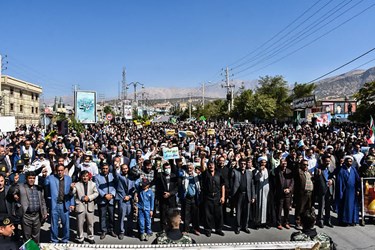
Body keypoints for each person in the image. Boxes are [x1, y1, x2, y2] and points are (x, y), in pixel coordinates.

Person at [13, 171, 47, 243]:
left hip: (37, 216)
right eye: (30, 178)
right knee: (27, 236)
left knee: (36, 236)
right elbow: (12, 192)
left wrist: (44, 212)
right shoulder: (21, 187)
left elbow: (42, 201)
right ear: (26, 179)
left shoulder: (38, 188)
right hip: (26, 216)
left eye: (33, 178)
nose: (32, 180)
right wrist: (15, 185)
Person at [45, 164, 75, 243]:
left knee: (66, 224)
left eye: (61, 170)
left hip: (65, 204)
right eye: (58, 170)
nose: (60, 172)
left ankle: (65, 239)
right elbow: (45, 187)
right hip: (54, 204)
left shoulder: (68, 179)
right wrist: (44, 176)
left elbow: (71, 193)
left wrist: (72, 204)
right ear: (56, 171)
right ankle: (54, 240)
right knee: (54, 224)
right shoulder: (50, 178)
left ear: (64, 170)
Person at [71, 170, 99, 244]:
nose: (85, 177)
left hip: (90, 205)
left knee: (90, 223)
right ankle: (80, 237)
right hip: (80, 206)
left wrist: (89, 197)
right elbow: (72, 193)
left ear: (88, 176)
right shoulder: (77, 184)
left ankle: (90, 237)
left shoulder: (93, 184)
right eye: (83, 176)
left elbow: (96, 193)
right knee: (80, 224)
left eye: (86, 176)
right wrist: (71, 188)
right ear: (81, 176)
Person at [200, 160, 225, 237]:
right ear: (208, 166)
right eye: (209, 165)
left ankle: (218, 229)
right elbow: (202, 168)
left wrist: (223, 196)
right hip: (208, 197)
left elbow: (222, 185)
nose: (211, 166)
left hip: (217, 197)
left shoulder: (219, 173)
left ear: (215, 165)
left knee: (218, 214)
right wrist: (202, 159)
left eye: (212, 165)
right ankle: (208, 230)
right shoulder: (205, 173)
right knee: (208, 215)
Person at [335, 156, 360, 226]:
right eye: (348, 161)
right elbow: (339, 182)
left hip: (353, 191)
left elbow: (357, 179)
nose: (349, 163)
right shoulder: (342, 170)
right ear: (345, 162)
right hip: (345, 191)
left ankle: (352, 220)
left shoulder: (353, 169)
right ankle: (344, 221)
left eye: (350, 161)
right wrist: (340, 192)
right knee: (345, 207)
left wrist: (358, 189)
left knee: (352, 207)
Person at [95, 163, 117, 239]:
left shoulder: (112, 175)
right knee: (102, 216)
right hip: (102, 200)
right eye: (103, 168)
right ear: (101, 169)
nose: (105, 170)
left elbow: (115, 186)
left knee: (111, 216)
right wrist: (104, 195)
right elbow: (97, 188)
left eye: (106, 168)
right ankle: (103, 230)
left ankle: (111, 229)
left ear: (108, 169)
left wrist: (112, 194)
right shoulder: (97, 177)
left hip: (111, 199)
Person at [155, 162, 178, 232]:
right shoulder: (160, 176)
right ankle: (163, 229)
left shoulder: (174, 176)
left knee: (172, 214)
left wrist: (170, 193)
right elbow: (158, 187)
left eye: (168, 168)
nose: (167, 169)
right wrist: (163, 194)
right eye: (165, 168)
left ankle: (172, 228)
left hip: (172, 199)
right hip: (163, 198)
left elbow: (176, 188)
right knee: (163, 214)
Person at [115, 164, 135, 239]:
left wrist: (129, 196)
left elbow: (133, 189)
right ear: (121, 169)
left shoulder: (131, 177)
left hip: (129, 199)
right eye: (123, 169)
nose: (125, 170)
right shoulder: (119, 176)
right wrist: (116, 168)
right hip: (122, 199)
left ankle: (130, 230)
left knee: (130, 216)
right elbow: (116, 174)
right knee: (121, 216)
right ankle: (121, 231)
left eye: (126, 168)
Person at [180, 162, 201, 235]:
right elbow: (178, 172)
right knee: (186, 214)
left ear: (193, 169)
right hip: (187, 197)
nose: (189, 169)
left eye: (191, 168)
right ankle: (186, 229)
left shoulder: (196, 176)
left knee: (195, 214)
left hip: (195, 198)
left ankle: (196, 229)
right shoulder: (183, 175)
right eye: (188, 168)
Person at [314, 155, 334, 228]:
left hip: (329, 190)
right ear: (323, 161)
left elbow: (334, 177)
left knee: (328, 206)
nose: (327, 163)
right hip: (322, 190)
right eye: (326, 161)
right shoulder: (318, 169)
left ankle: (328, 220)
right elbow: (315, 180)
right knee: (321, 206)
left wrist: (332, 180)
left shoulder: (331, 169)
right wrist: (317, 175)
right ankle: (320, 220)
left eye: (328, 161)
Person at [274, 159, 294, 230]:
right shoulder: (276, 171)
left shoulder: (289, 171)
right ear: (280, 163)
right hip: (280, 193)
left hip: (288, 193)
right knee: (279, 209)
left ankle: (286, 222)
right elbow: (275, 183)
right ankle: (278, 223)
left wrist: (289, 189)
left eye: (285, 162)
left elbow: (292, 182)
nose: (284, 164)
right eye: (283, 163)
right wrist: (281, 190)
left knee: (287, 209)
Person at [294, 159, 314, 230]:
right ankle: (298, 222)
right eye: (304, 164)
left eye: (307, 165)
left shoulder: (309, 172)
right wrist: (297, 162)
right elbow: (295, 170)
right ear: (301, 165)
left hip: (309, 193)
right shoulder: (299, 172)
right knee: (300, 209)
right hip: (302, 193)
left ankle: (305, 223)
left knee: (307, 209)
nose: (306, 166)